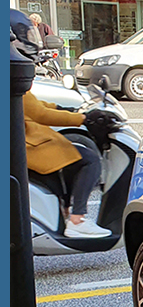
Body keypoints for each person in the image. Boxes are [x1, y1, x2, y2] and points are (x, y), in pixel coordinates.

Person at [22, 92, 110, 238]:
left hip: (28, 140)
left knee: (70, 158)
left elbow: (34, 105)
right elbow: (41, 114)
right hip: (29, 145)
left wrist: (64, 108)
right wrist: (83, 119)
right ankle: (77, 220)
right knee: (90, 160)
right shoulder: (11, 79)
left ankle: (67, 211)